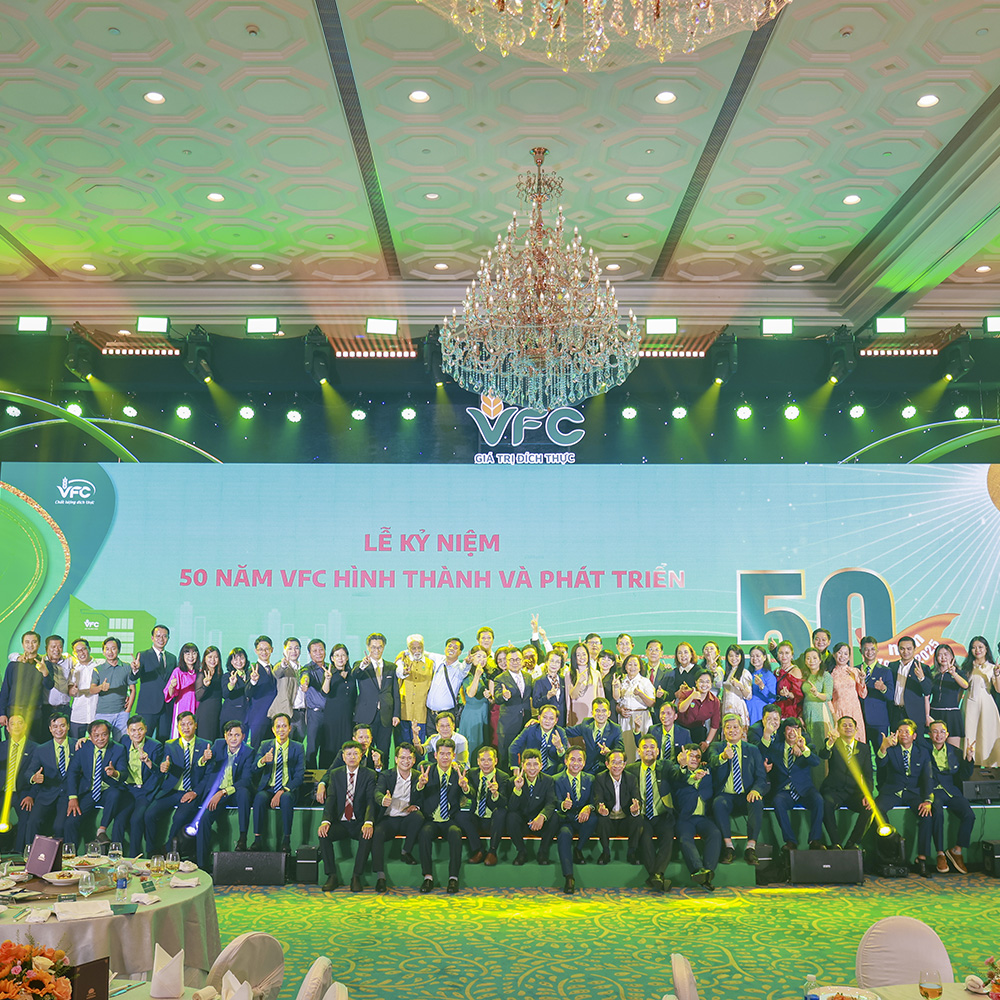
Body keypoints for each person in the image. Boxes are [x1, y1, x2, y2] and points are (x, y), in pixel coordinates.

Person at [143, 710, 209, 856]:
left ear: (196, 725)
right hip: (171, 790)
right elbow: (165, 764)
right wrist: (164, 767)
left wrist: (195, 792)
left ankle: (167, 849)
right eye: (182, 725)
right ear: (178, 727)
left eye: (189, 724)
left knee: (179, 817)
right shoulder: (170, 745)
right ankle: (151, 851)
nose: (186, 728)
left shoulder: (206, 745)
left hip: (191, 792)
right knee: (149, 814)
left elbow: (208, 775)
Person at [194, 718, 255, 868]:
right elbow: (202, 767)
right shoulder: (218, 745)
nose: (233, 738)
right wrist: (203, 759)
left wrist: (223, 792)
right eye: (230, 735)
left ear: (243, 737)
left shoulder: (248, 752)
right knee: (204, 819)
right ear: (225, 736)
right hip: (217, 792)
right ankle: (202, 865)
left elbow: (246, 780)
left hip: (234, 791)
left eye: (237, 735)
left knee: (244, 793)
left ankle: (242, 837)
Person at [875, 719, 934, 876]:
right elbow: (880, 763)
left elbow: (928, 778)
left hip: (913, 793)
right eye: (900, 731)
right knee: (877, 809)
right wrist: (883, 747)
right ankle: (889, 850)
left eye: (907, 731)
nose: (903, 734)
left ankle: (921, 859)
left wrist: (928, 800)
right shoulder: (891, 749)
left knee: (927, 816)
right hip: (892, 791)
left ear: (914, 736)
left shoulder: (923, 752)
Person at [317, 740, 376, 892]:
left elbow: (370, 800)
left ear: (361, 756)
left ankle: (356, 876)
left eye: (355, 754)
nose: (352, 757)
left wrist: (368, 822)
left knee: (367, 835)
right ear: (343, 757)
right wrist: (326, 821)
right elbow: (331, 799)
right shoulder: (336, 774)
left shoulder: (369, 774)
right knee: (323, 834)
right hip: (341, 822)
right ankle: (331, 876)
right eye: (348, 754)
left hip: (359, 822)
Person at [709, 714, 767, 865]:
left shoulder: (752, 750)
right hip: (725, 795)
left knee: (757, 801)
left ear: (742, 730)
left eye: (735, 727)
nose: (732, 730)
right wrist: (723, 756)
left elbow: (761, 777)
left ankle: (751, 848)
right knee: (718, 803)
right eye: (728, 728)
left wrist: (756, 790)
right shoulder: (717, 747)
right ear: (723, 731)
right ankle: (729, 847)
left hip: (746, 794)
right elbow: (712, 762)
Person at [761, 718, 824, 851]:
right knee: (778, 801)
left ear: (800, 731)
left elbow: (816, 762)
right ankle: (790, 841)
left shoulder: (808, 746)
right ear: (784, 732)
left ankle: (814, 840)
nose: (792, 732)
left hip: (805, 789)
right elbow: (764, 757)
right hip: (785, 790)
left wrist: (803, 748)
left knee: (818, 800)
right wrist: (764, 767)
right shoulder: (776, 747)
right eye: (789, 728)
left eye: (796, 729)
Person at [371, 742, 425, 891]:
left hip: (407, 818)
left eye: (409, 758)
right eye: (402, 757)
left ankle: (405, 851)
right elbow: (377, 792)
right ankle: (380, 876)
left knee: (418, 816)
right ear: (396, 759)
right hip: (389, 818)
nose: (406, 761)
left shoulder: (419, 777)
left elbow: (424, 799)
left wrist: (416, 806)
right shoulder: (386, 775)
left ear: (414, 760)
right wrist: (383, 799)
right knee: (377, 833)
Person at [63, 719, 126, 849]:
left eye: (104, 734)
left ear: (109, 734)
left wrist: (115, 773)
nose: (101, 739)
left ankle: (101, 831)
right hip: (89, 790)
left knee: (115, 793)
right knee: (70, 822)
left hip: (107, 790)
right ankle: (70, 854)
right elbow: (72, 772)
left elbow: (124, 773)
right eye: (96, 736)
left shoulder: (118, 749)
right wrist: (73, 797)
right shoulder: (83, 748)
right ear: (90, 737)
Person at [106, 714, 163, 854]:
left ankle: (134, 857)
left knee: (136, 820)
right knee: (119, 820)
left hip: (145, 791)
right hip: (128, 790)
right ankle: (115, 856)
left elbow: (159, 774)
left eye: (140, 729)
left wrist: (148, 762)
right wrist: (85, 739)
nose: (137, 733)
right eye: (133, 730)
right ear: (127, 731)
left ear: (146, 729)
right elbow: (103, 742)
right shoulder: (124, 741)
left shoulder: (155, 746)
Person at [626, 735, 676, 892]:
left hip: (662, 814)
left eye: (652, 747)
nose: (649, 750)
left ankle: (656, 875)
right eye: (645, 747)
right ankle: (658, 876)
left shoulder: (666, 767)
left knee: (668, 835)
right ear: (639, 751)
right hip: (642, 816)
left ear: (658, 751)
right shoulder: (630, 770)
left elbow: (678, 774)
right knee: (645, 837)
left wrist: (682, 765)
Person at [543, 746, 596, 894]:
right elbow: (553, 802)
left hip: (583, 819)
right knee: (564, 835)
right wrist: (563, 805)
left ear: (584, 763)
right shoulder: (556, 779)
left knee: (593, 819)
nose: (576, 763)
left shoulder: (590, 779)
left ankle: (578, 849)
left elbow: (594, 801)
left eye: (579, 760)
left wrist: (588, 807)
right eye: (572, 759)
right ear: (566, 761)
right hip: (565, 819)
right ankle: (569, 877)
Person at [250, 712, 305, 853]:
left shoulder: (298, 747)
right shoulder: (265, 745)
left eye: (284, 726)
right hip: (268, 788)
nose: (281, 729)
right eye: (278, 727)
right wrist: (262, 761)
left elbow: (299, 776)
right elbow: (253, 768)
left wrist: (282, 790)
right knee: (259, 797)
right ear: (273, 730)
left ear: (290, 728)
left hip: (287, 789)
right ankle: (257, 839)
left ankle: (286, 840)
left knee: (286, 798)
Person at [414, 738, 463, 894]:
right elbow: (415, 796)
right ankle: (428, 877)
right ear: (435, 755)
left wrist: (465, 787)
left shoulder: (458, 774)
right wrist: (420, 785)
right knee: (424, 833)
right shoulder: (427, 772)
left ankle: (453, 878)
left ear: (453, 755)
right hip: (432, 819)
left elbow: (471, 794)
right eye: (442, 753)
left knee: (456, 833)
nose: (445, 757)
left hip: (450, 819)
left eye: (448, 754)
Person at [669, 743, 720, 890]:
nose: (694, 759)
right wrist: (688, 771)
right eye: (690, 756)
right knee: (685, 839)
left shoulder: (707, 771)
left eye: (697, 757)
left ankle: (708, 871)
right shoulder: (676, 771)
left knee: (715, 833)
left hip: (702, 818)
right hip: (685, 818)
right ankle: (698, 870)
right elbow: (680, 777)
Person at [926, 719, 974, 874]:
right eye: (935, 731)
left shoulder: (956, 752)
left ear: (947, 734)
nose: (939, 735)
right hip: (933, 790)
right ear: (929, 734)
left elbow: (964, 775)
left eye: (942, 732)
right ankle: (940, 853)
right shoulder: (923, 750)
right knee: (937, 813)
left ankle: (956, 851)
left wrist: (969, 758)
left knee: (969, 815)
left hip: (951, 790)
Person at [819, 715, 873, 849]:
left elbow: (868, 775)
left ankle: (852, 843)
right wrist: (829, 744)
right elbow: (823, 755)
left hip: (854, 792)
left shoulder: (864, 748)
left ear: (856, 729)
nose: (847, 727)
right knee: (825, 804)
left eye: (850, 725)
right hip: (833, 790)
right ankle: (836, 843)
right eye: (844, 725)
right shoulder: (832, 743)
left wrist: (867, 794)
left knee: (870, 808)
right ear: (838, 729)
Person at [456, 744, 510, 867]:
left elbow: (504, 802)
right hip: (477, 816)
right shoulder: (472, 774)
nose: (486, 763)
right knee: (461, 816)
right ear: (478, 761)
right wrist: (465, 788)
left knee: (501, 812)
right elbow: (471, 794)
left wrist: (495, 794)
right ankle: (479, 850)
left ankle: (492, 851)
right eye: (483, 760)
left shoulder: (503, 777)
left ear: (496, 761)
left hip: (493, 819)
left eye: (489, 760)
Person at [23, 711, 73, 843]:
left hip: (68, 795)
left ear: (68, 726)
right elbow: (28, 772)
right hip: (47, 792)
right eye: (55, 726)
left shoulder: (78, 745)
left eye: (62, 725)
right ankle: (30, 852)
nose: (59, 729)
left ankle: (61, 854)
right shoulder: (41, 749)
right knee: (32, 822)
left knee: (59, 826)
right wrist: (34, 777)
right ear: (50, 729)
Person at [302, 640, 352, 770]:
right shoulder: (308, 669)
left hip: (332, 715)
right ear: (309, 654)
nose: (318, 653)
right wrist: (304, 682)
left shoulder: (333, 668)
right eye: (314, 651)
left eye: (321, 650)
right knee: (313, 748)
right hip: (316, 714)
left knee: (330, 746)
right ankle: (312, 779)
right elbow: (304, 676)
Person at [351, 633, 399, 763]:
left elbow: (395, 693)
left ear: (384, 647)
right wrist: (363, 665)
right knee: (364, 752)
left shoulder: (391, 667)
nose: (376, 650)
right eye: (373, 647)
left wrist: (396, 714)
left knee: (384, 751)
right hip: (366, 715)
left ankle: (382, 775)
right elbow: (355, 674)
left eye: (380, 647)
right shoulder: (360, 665)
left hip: (386, 716)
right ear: (368, 647)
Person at [0, 631, 53, 744]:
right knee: (12, 746)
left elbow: (49, 686)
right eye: (27, 642)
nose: (30, 645)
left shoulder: (45, 664)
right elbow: (5, 690)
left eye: (34, 642)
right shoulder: (13, 664)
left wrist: (45, 672)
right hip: (13, 711)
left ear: (39, 644)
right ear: (22, 644)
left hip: (34, 712)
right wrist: (2, 713)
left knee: (33, 746)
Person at [506, 748, 556, 866]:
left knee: (554, 817)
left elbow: (551, 802)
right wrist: (517, 789)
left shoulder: (548, 780)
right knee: (511, 817)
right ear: (522, 765)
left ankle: (543, 852)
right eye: (528, 764)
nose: (532, 768)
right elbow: (512, 808)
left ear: (541, 766)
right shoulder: (512, 781)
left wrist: (542, 816)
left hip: (540, 823)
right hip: (522, 824)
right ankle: (521, 852)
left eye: (535, 764)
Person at [592, 749, 640, 866]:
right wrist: (600, 809)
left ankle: (632, 853)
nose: (617, 766)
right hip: (609, 820)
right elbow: (598, 799)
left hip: (625, 820)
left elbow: (636, 798)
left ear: (624, 764)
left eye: (620, 763)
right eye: (613, 762)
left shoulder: (631, 779)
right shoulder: (600, 778)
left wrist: (635, 809)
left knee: (638, 818)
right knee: (602, 819)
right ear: (607, 764)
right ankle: (606, 853)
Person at [130, 625, 176, 742]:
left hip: (166, 707)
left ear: (168, 638)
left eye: (164, 636)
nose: (161, 639)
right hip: (148, 706)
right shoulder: (143, 655)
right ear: (152, 638)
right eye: (158, 636)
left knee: (164, 740)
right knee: (144, 740)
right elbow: (134, 677)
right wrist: (135, 670)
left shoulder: (172, 658)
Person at [0, 714, 39, 852]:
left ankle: (19, 854)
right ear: (7, 728)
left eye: (20, 723)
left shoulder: (35, 748)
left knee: (26, 820)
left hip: (23, 793)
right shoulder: (1, 747)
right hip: (2, 792)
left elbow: (38, 776)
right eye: (12, 723)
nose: (16, 726)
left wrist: (31, 795)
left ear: (25, 726)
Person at [961, 636, 1000, 766]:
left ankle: (988, 764)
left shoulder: (992, 667)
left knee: (986, 734)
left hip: (986, 705)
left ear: (986, 648)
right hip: (969, 704)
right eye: (974, 647)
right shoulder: (966, 667)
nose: (977, 650)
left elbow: (998, 689)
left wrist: (997, 674)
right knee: (969, 733)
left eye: (980, 647)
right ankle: (970, 764)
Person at [492, 647, 532, 765]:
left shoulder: (528, 677)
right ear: (507, 662)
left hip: (526, 723)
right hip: (508, 725)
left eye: (518, 659)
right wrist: (504, 696)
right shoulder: (500, 679)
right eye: (511, 660)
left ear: (522, 660)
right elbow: (497, 698)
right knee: (506, 757)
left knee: (526, 755)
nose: (515, 662)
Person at [888, 635, 932, 739]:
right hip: (896, 712)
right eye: (902, 649)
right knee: (896, 742)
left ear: (915, 649)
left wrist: (922, 678)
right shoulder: (892, 666)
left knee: (917, 743)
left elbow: (927, 691)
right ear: (898, 649)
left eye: (909, 649)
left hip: (914, 714)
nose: (905, 652)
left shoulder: (923, 667)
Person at [565, 698, 624, 774]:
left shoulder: (615, 729)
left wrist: (609, 752)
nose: (600, 714)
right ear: (592, 713)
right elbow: (568, 732)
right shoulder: (586, 724)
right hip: (588, 769)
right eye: (597, 711)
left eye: (604, 711)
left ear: (609, 713)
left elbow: (620, 750)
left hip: (606, 770)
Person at [614, 653, 655, 759]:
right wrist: (620, 710)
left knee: (641, 748)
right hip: (625, 718)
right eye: (629, 664)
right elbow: (617, 701)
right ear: (625, 667)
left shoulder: (645, 682)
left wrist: (640, 694)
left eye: (635, 664)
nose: (632, 667)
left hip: (641, 717)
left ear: (640, 667)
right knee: (626, 749)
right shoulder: (621, 681)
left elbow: (652, 703)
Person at [395, 635, 434, 744]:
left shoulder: (430, 663)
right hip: (404, 711)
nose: (417, 651)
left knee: (419, 746)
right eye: (413, 648)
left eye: (419, 647)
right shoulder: (402, 660)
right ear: (408, 649)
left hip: (420, 713)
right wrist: (404, 672)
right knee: (403, 746)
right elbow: (398, 672)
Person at [425, 637, 471, 729]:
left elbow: (465, 669)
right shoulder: (439, 659)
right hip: (430, 714)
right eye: (449, 646)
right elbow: (422, 652)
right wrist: (404, 653)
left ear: (460, 653)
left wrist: (468, 663)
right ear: (445, 648)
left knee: (446, 738)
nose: (451, 649)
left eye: (455, 647)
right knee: (431, 738)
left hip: (446, 715)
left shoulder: (459, 669)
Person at [508, 705, 567, 776]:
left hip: (552, 771)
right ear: (539, 718)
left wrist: (559, 746)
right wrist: (515, 768)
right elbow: (513, 748)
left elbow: (565, 759)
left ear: (556, 721)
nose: (547, 721)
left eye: (551, 718)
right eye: (544, 717)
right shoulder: (530, 729)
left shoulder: (560, 732)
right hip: (531, 767)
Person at [92, 637, 133, 738]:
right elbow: (92, 690)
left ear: (119, 650)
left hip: (121, 713)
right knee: (101, 741)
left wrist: (128, 710)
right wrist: (100, 687)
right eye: (107, 649)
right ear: (103, 652)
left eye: (113, 648)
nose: (110, 652)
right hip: (102, 713)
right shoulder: (98, 669)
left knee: (122, 741)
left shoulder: (127, 667)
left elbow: (133, 689)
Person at [929, 644, 968, 748]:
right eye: (940, 655)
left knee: (953, 750)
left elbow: (965, 685)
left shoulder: (959, 672)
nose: (943, 657)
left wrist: (954, 674)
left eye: (946, 654)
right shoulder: (932, 673)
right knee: (935, 749)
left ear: (952, 656)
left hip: (952, 714)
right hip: (935, 713)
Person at [828, 642, 867, 744]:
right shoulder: (830, 674)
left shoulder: (854, 671)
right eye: (839, 653)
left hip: (854, 711)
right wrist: (833, 714)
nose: (842, 656)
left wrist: (862, 680)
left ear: (849, 657)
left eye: (846, 654)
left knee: (857, 742)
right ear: (834, 654)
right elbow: (828, 698)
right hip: (839, 710)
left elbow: (863, 694)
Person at [858, 635, 894, 743]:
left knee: (881, 751)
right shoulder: (855, 670)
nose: (870, 652)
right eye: (866, 649)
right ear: (861, 651)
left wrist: (883, 689)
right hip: (859, 719)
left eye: (872, 649)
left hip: (879, 721)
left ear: (877, 650)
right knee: (862, 752)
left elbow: (891, 696)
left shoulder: (886, 671)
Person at [676, 670, 721, 750]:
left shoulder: (715, 701)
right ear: (696, 682)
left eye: (707, 682)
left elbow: (715, 725)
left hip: (698, 729)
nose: (704, 685)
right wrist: (691, 697)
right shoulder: (686, 694)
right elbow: (681, 709)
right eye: (701, 681)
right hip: (681, 727)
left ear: (711, 684)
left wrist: (707, 742)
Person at [245, 636, 277, 746]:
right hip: (258, 717)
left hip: (273, 717)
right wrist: (253, 681)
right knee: (257, 749)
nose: (264, 652)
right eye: (260, 649)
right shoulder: (253, 670)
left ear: (272, 649)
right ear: (256, 651)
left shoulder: (274, 669)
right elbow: (247, 692)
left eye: (267, 649)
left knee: (271, 749)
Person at [458, 645, 491, 754]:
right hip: (473, 715)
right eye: (478, 656)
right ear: (472, 658)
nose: (482, 659)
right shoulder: (468, 675)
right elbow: (471, 693)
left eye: (484, 656)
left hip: (484, 713)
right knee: (473, 745)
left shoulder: (486, 674)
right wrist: (477, 675)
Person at [164, 643, 200, 739]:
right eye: (187, 653)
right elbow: (169, 694)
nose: (191, 656)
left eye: (194, 653)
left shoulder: (200, 672)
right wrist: (172, 686)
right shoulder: (178, 671)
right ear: (182, 655)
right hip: (182, 705)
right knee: (181, 731)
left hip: (196, 706)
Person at [800, 647, 834, 749]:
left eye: (814, 658)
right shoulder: (804, 676)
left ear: (820, 660)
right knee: (810, 740)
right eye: (808, 658)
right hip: (807, 710)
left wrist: (817, 694)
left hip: (820, 711)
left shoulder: (825, 675)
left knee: (821, 741)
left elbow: (828, 696)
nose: (811, 661)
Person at [269, 637, 303, 737]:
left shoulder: (303, 669)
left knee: (299, 743)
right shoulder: (281, 666)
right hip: (286, 712)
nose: (294, 651)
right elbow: (276, 673)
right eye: (290, 648)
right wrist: (283, 665)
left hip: (302, 713)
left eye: (296, 648)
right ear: (284, 651)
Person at [67, 638, 99, 740]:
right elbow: (70, 691)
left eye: (84, 649)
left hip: (96, 714)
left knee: (97, 744)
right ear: (74, 653)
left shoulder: (100, 665)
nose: (81, 653)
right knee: (75, 744)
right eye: (78, 651)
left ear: (89, 649)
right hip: (78, 715)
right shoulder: (73, 670)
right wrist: (72, 691)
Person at [565, 643, 601, 728]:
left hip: (593, 714)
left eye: (584, 654)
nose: (582, 657)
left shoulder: (596, 673)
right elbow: (573, 696)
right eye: (578, 655)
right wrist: (579, 682)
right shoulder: (569, 674)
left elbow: (600, 696)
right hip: (576, 714)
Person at [195, 646, 223, 742]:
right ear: (205, 659)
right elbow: (198, 696)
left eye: (216, 657)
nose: (213, 660)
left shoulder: (220, 674)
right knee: (205, 741)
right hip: (206, 713)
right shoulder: (201, 674)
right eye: (210, 657)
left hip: (218, 712)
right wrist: (205, 686)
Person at [532, 649, 567, 725]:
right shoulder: (538, 681)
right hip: (547, 722)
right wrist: (547, 697)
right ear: (546, 662)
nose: (554, 664)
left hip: (563, 720)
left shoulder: (564, 680)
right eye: (552, 661)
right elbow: (535, 704)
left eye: (557, 662)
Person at [721, 645, 752, 726]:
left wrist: (740, 686)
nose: (734, 658)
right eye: (731, 656)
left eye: (737, 655)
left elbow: (749, 696)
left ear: (741, 657)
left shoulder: (745, 673)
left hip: (738, 709)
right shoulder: (727, 673)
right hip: (726, 709)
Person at [747, 645, 777, 726]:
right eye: (752, 656)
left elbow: (772, 699)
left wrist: (762, 687)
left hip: (759, 713)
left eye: (758, 656)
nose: (755, 658)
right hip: (747, 711)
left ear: (764, 657)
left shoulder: (769, 675)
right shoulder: (748, 674)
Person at [774, 641, 804, 719]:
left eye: (787, 653)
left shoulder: (795, 671)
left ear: (792, 655)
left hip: (789, 709)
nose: (784, 656)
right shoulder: (776, 671)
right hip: (777, 709)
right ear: (777, 655)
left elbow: (799, 695)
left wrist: (788, 694)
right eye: (781, 653)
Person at [223, 647, 249, 729]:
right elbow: (225, 694)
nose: (239, 661)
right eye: (235, 659)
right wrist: (231, 684)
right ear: (231, 661)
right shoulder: (227, 676)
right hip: (231, 716)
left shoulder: (251, 674)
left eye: (241, 658)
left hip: (247, 716)